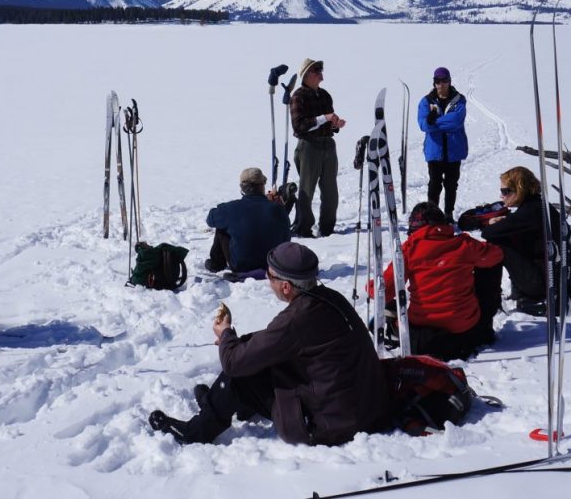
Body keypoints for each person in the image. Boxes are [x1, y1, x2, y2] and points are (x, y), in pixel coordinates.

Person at [148, 242, 389, 446]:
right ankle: (225, 403)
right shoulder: (329, 298)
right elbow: (275, 340)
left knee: (238, 376)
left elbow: (234, 363)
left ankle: (195, 432)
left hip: (325, 425)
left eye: (270, 275)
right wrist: (232, 340)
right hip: (361, 410)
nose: (266, 278)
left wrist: (226, 338)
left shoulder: (296, 319)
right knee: (262, 359)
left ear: (286, 286)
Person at [370, 202, 503, 360]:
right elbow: (496, 255)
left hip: (422, 330)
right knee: (487, 265)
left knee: (391, 306)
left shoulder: (409, 249)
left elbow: (382, 292)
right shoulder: (465, 245)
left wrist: (370, 286)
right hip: (464, 327)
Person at [458, 166, 571, 306]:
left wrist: (492, 224)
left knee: (496, 244)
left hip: (547, 285)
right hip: (561, 280)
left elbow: (488, 233)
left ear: (519, 190)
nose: (501, 196)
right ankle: (514, 290)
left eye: (505, 191)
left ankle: (489, 298)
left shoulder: (529, 212)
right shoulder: (538, 206)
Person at [290, 58, 345, 237]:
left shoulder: (325, 95)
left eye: (321, 69)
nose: (321, 73)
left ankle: (327, 228)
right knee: (306, 191)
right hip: (309, 147)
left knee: (331, 192)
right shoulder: (298, 96)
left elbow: (329, 125)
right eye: (317, 70)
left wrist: (335, 124)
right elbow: (299, 126)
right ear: (307, 75)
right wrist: (325, 118)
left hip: (328, 145)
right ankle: (304, 229)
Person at [204, 167, 292, 275]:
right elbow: (286, 238)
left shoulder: (231, 208)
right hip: (273, 264)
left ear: (242, 188)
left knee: (222, 225)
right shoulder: (278, 208)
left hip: (241, 266)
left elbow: (210, 219)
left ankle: (216, 264)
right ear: (262, 186)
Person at [417, 67, 468, 214]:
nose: (441, 84)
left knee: (451, 185)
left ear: (449, 81)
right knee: (434, 184)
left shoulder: (459, 100)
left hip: (454, 150)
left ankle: (448, 214)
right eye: (438, 81)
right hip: (435, 151)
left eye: (444, 81)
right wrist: (431, 123)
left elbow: (456, 121)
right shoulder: (426, 101)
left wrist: (435, 122)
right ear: (434, 83)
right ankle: (432, 215)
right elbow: (423, 125)